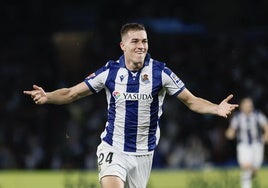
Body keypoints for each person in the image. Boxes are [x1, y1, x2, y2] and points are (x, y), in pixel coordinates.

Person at [24, 22, 238, 188]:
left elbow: (191, 101)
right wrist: (48, 96)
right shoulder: (110, 72)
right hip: (113, 147)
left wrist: (215, 108)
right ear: (123, 45)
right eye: (135, 41)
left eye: (144, 41)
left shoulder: (160, 72)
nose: (141, 46)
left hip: (144, 153)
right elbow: (71, 93)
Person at [225, 97, 268, 188]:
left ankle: (251, 176)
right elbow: (232, 130)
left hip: (257, 145)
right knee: (245, 166)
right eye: (247, 105)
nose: (249, 107)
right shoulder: (237, 117)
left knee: (254, 169)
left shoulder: (257, 115)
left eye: (250, 105)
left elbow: (266, 125)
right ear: (242, 106)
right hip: (243, 145)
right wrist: (230, 134)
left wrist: (266, 136)